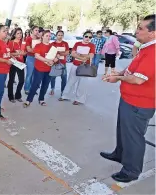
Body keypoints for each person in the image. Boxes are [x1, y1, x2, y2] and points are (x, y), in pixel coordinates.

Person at [101, 15, 155, 183]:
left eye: (141, 28)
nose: (136, 31)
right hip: (129, 99)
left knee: (133, 136)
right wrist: (120, 73)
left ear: (153, 33)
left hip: (140, 103)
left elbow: (138, 79)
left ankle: (131, 170)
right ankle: (120, 154)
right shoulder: (145, 48)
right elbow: (132, 70)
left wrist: (118, 78)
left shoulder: (153, 52)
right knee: (123, 130)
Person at [23, 31, 57, 108]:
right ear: (42, 37)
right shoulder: (38, 45)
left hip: (48, 69)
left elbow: (56, 55)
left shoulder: (52, 46)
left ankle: (41, 99)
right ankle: (29, 100)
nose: (48, 37)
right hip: (39, 69)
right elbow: (37, 56)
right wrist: (48, 60)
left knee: (45, 85)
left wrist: (55, 59)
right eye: (46, 36)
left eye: (49, 36)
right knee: (35, 85)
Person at [61, 31, 95, 105]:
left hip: (85, 67)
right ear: (83, 36)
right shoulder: (77, 44)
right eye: (86, 36)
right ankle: (65, 95)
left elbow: (91, 55)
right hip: (75, 65)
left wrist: (80, 54)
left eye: (90, 37)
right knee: (71, 81)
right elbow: (73, 54)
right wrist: (83, 57)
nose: (88, 38)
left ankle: (79, 99)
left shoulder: (92, 45)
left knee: (82, 84)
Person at [49, 30, 70, 99]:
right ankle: (52, 89)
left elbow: (67, 52)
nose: (60, 36)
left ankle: (62, 91)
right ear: (56, 36)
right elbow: (50, 53)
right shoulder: (52, 44)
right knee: (53, 77)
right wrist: (56, 55)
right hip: (54, 63)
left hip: (63, 63)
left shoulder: (65, 43)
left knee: (64, 78)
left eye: (61, 35)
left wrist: (59, 53)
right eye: (59, 35)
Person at [7, 28, 26, 103]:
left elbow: (25, 52)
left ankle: (18, 95)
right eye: (18, 33)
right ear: (14, 34)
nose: (20, 35)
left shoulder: (23, 42)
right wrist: (18, 53)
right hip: (13, 63)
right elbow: (9, 53)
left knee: (21, 80)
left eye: (20, 33)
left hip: (21, 63)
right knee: (11, 80)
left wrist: (24, 53)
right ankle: (11, 96)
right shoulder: (11, 42)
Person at [24, 25, 40, 94]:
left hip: (37, 58)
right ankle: (27, 89)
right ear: (32, 31)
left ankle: (32, 89)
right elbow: (28, 49)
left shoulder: (39, 39)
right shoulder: (29, 39)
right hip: (30, 58)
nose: (37, 32)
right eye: (36, 30)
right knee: (29, 74)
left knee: (35, 75)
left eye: (38, 30)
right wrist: (37, 50)